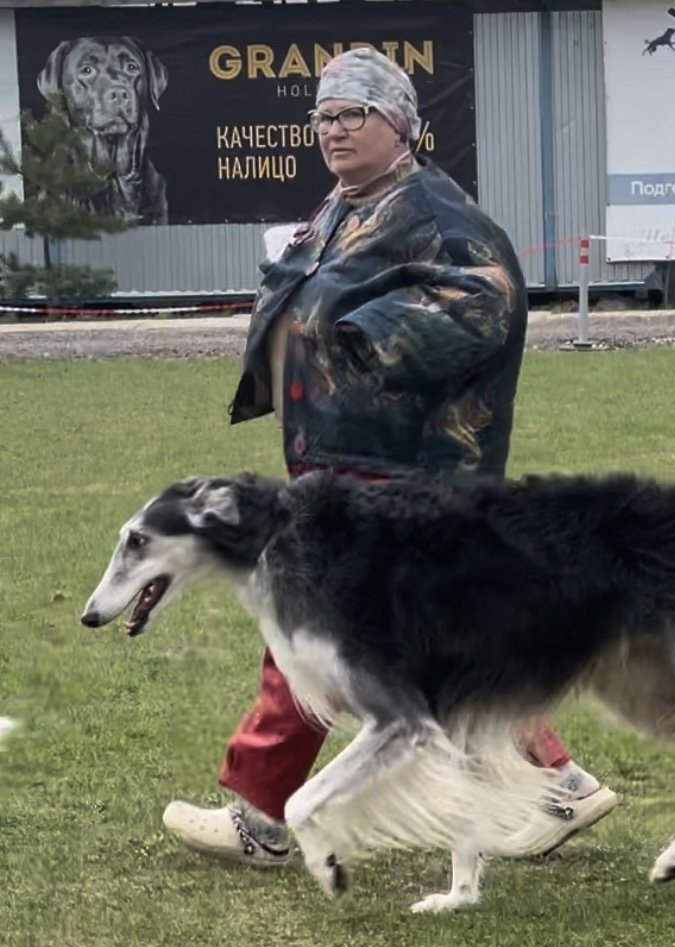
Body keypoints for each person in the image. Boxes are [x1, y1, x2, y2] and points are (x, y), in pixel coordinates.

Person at [162, 47, 617, 867]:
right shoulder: (348, 202)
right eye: (324, 117)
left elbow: (487, 301)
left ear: (399, 123)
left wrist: (367, 343)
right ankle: (558, 781)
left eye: (353, 115)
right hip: (340, 455)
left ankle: (263, 816)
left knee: (309, 635)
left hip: (402, 467)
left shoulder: (438, 213)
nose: (333, 131)